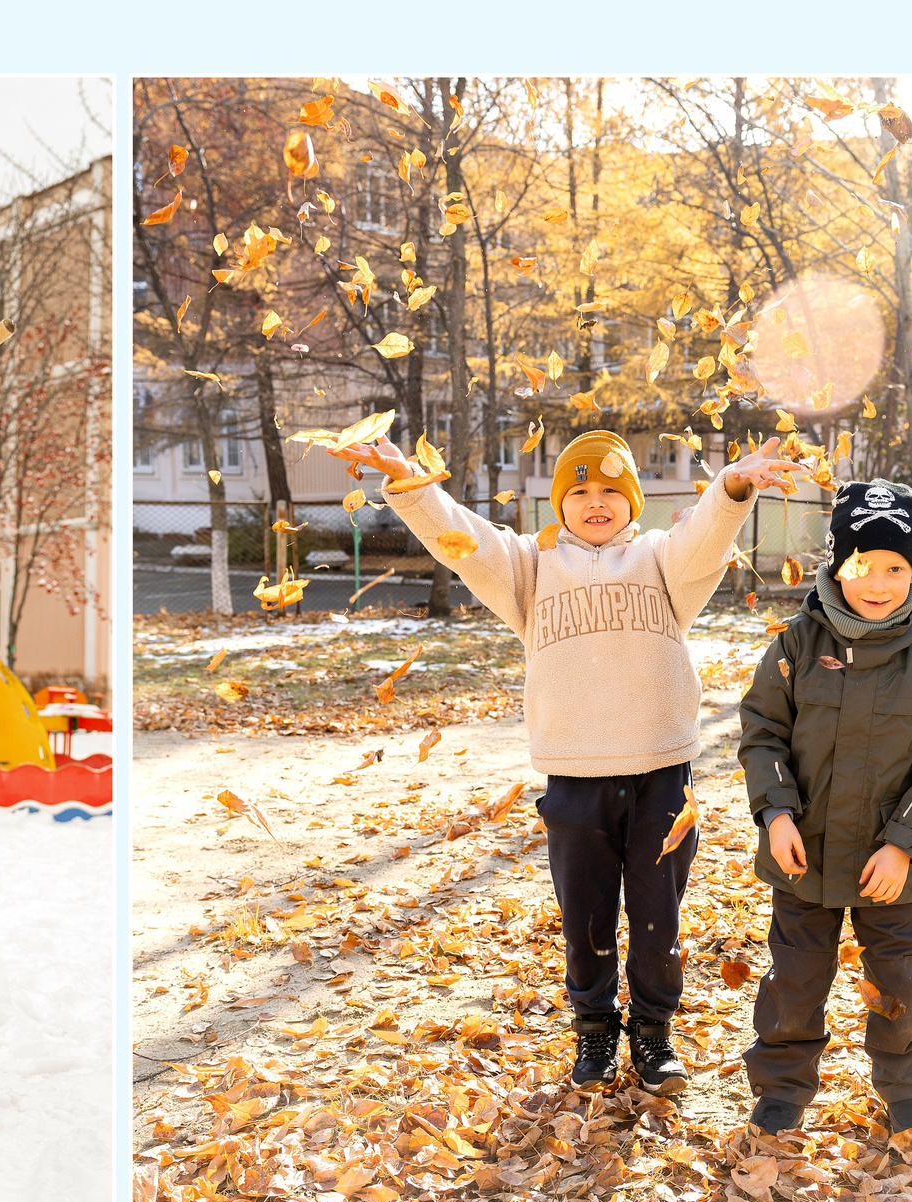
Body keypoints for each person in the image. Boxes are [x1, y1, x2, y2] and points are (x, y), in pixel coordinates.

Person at [331, 428, 803, 1093]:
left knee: (657, 921)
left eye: (611, 489)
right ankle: (595, 1028)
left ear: (633, 499)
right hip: (575, 779)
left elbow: (704, 537)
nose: (595, 502)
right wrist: (410, 483)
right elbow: (464, 539)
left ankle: (653, 1032)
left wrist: (732, 486)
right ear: (560, 504)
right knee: (585, 920)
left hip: (661, 774)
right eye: (579, 492)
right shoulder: (531, 567)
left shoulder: (662, 558)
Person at [737, 478, 912, 1138]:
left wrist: (902, 843)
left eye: (896, 567)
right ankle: (782, 1086)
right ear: (837, 564)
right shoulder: (796, 643)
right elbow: (762, 731)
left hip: (892, 863)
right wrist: (776, 814)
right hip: (803, 852)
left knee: (901, 981)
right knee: (794, 980)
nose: (878, 582)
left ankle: (909, 1086)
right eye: (863, 563)